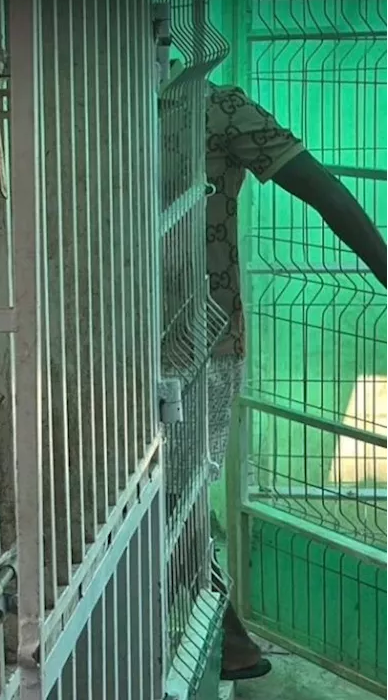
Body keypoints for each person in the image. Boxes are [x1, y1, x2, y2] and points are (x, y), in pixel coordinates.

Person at [162, 55, 388, 682]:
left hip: (193, 340)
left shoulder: (209, 107)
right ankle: (215, 630)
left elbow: (326, 194)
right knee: (152, 500)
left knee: (168, 498)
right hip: (142, 340)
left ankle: (225, 632)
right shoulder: (123, 113)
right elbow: (327, 194)